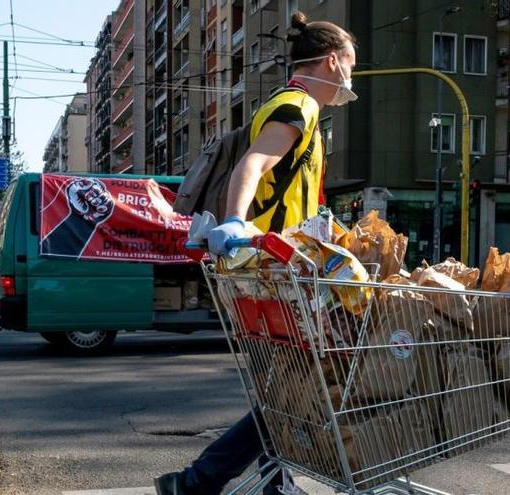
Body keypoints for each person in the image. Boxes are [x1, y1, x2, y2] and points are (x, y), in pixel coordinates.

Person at [155, 11, 356, 495]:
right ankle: (199, 482)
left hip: (276, 269)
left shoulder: (298, 109)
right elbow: (253, 164)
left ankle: (260, 484)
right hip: (270, 271)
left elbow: (293, 193)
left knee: (285, 388)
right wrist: (234, 222)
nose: (353, 73)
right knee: (289, 389)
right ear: (332, 61)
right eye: (352, 62)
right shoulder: (298, 106)